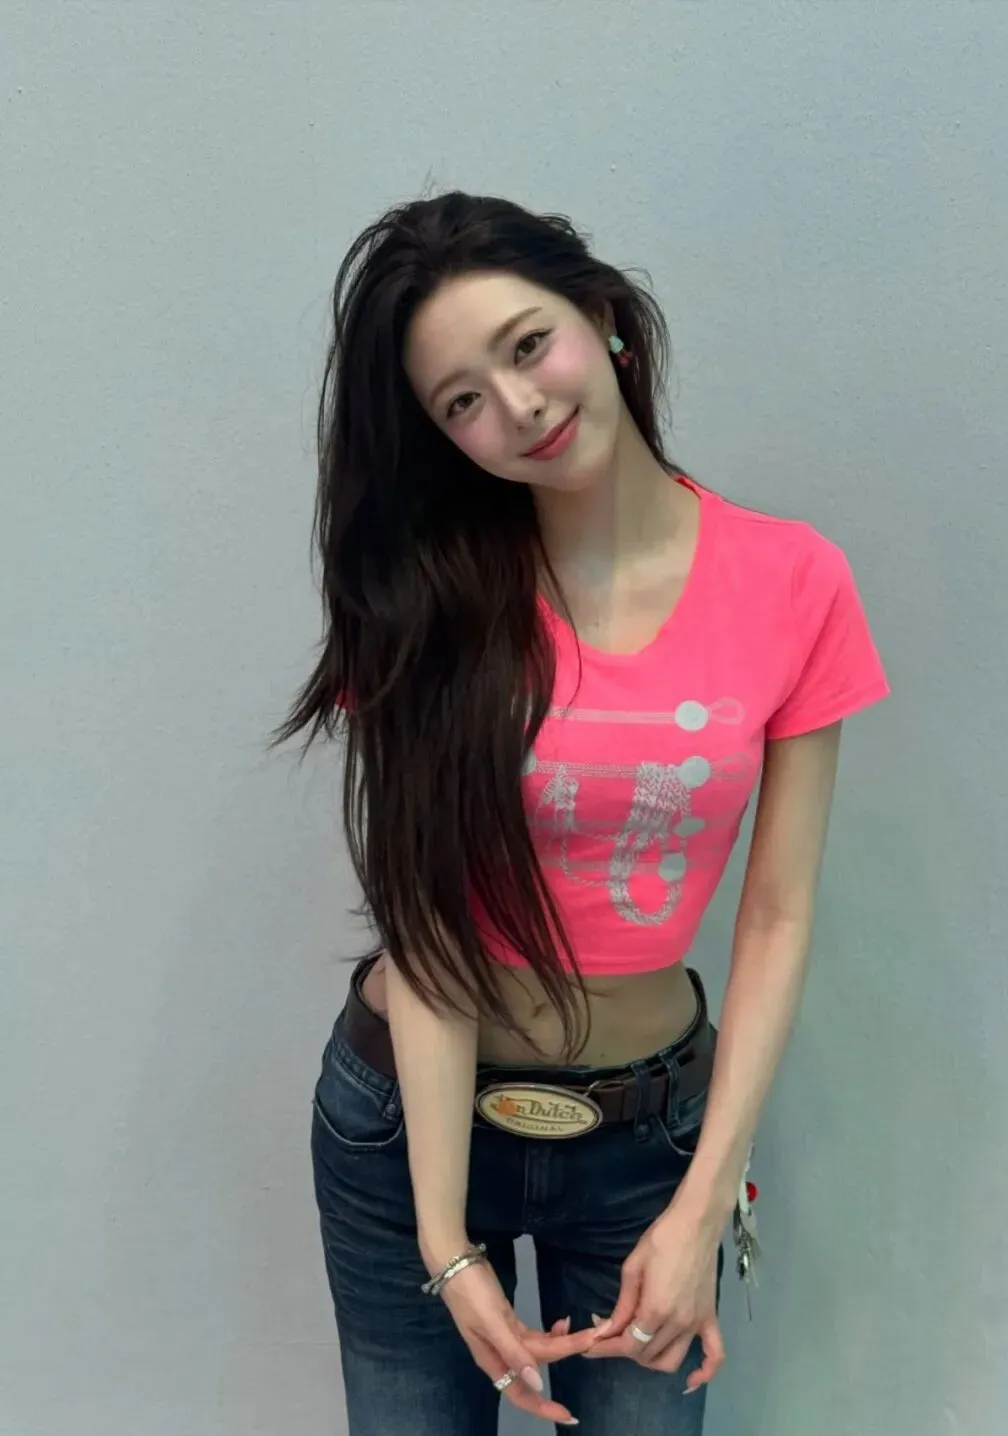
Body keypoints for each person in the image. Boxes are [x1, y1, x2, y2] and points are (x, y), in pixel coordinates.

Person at [275, 190, 891, 1435]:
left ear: (602, 316)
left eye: (527, 345)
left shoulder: (794, 581)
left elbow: (776, 912)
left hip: (644, 1137)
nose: (518, 406)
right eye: (462, 400)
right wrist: (444, 1237)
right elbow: (429, 923)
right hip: (408, 1126)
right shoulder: (428, 597)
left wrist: (704, 1199)